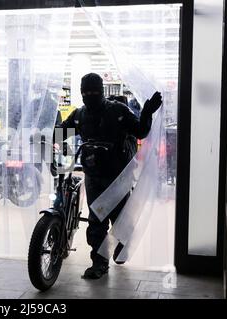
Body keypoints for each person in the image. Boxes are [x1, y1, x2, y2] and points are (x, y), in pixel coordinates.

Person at [55, 73, 163, 279]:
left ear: (101, 90)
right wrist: (52, 134)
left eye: (93, 91)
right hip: (94, 175)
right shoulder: (79, 115)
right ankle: (99, 263)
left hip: (119, 176)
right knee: (97, 220)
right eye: (85, 92)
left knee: (122, 219)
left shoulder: (118, 110)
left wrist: (147, 113)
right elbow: (62, 133)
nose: (89, 95)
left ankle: (123, 245)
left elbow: (140, 131)